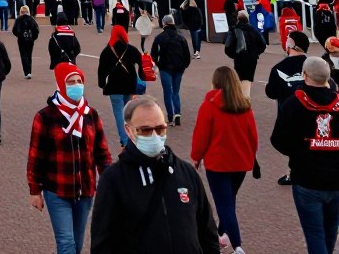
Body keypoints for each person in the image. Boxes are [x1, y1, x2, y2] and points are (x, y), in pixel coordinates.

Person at [91, 95, 218, 254]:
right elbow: (103, 243)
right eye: (145, 130)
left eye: (160, 128)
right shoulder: (113, 179)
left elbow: (208, 232)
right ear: (129, 130)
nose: (154, 136)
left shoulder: (186, 173)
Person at [27, 64, 112, 254]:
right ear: (60, 84)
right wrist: (35, 190)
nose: (76, 86)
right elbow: (36, 156)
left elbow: (102, 153)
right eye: (71, 82)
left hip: (86, 189)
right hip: (57, 189)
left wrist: (110, 182)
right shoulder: (45, 117)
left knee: (78, 243)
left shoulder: (90, 114)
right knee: (66, 243)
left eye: (79, 81)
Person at [271, 54, 339, 254]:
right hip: (336, 179)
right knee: (330, 232)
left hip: (307, 178)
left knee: (315, 234)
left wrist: (299, 152)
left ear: (305, 75)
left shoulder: (294, 103)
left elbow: (278, 140)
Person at [190, 66, 258, 254]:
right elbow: (253, 136)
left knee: (224, 204)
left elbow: (201, 135)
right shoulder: (244, 106)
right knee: (228, 201)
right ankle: (221, 235)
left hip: (218, 163)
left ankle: (237, 246)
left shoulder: (210, 105)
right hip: (240, 162)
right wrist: (251, 154)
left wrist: (196, 157)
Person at [265, 28, 310, 185]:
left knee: (294, 143)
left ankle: (293, 172)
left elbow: (271, 92)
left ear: (290, 44)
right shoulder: (315, 65)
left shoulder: (279, 68)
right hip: (316, 112)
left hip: (288, 113)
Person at [97, 24, 142, 148]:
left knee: (118, 113)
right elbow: (141, 61)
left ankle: (124, 139)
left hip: (114, 86)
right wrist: (141, 76)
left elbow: (102, 70)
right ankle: (131, 136)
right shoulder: (131, 49)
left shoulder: (106, 51)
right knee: (128, 112)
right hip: (129, 84)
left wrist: (102, 84)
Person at [150, 14, 191, 127]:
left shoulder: (159, 38)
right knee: (176, 92)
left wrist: (159, 64)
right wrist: (184, 65)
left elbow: (153, 54)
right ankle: (177, 113)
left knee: (167, 92)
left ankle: (170, 116)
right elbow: (187, 54)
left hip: (165, 68)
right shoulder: (181, 37)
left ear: (164, 23)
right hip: (179, 68)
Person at [224, 10, 267, 99]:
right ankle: (246, 100)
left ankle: (239, 100)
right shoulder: (254, 30)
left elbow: (227, 47)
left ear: (238, 19)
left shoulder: (234, 30)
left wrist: (234, 55)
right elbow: (263, 44)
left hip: (239, 58)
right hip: (252, 59)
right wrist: (256, 53)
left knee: (238, 78)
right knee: (247, 80)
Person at [12, 5, 40, 79]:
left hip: (21, 40)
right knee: (29, 55)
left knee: (23, 55)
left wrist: (18, 35)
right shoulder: (32, 19)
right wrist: (34, 38)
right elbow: (36, 30)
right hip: (30, 40)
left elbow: (14, 30)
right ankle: (29, 72)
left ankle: (26, 72)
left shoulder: (18, 19)